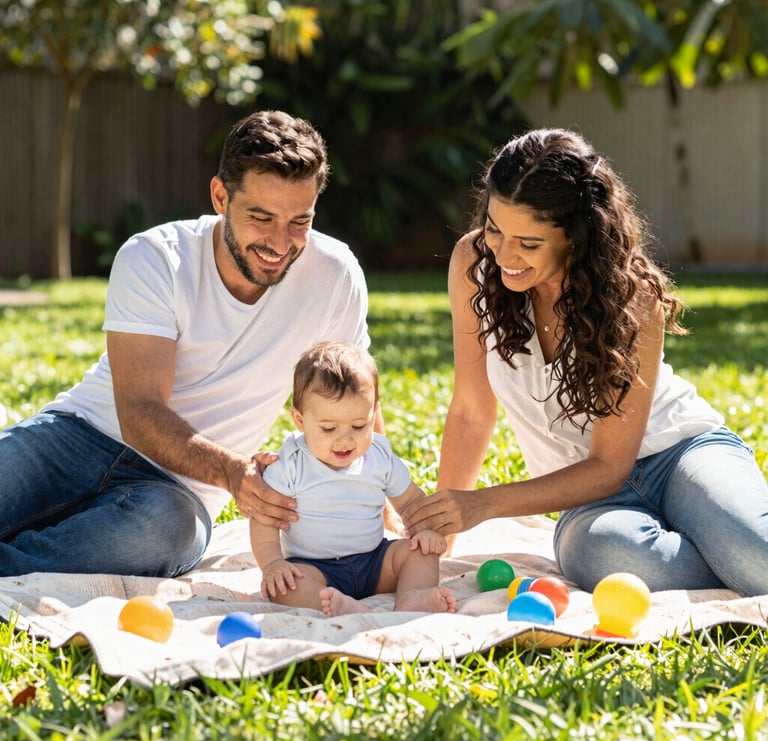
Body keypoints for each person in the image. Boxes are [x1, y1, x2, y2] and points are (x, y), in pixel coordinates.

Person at [0, 110, 374, 578]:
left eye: (300, 220)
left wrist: (375, 494)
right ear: (220, 196)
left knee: (167, 533)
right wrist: (236, 473)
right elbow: (138, 411)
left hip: (177, 492)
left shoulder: (335, 277)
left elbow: (354, 399)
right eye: (261, 217)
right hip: (76, 438)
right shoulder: (155, 257)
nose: (281, 243)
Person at [399, 128, 768, 596]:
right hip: (590, 501)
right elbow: (472, 408)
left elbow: (610, 464)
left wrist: (484, 504)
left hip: (680, 452)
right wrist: (447, 527)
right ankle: (726, 556)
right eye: (495, 229)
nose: (505, 255)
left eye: (529, 244)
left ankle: (736, 550)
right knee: (607, 555)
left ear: (575, 236)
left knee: (758, 556)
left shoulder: (632, 297)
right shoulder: (473, 265)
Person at [250, 342, 456, 617]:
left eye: (360, 426)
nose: (345, 439)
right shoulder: (290, 463)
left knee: (421, 553)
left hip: (375, 561)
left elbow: (410, 502)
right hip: (314, 568)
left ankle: (412, 598)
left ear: (373, 413)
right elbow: (264, 518)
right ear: (299, 420)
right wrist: (273, 563)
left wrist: (425, 530)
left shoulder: (378, 455)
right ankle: (340, 606)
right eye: (328, 428)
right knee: (285, 587)